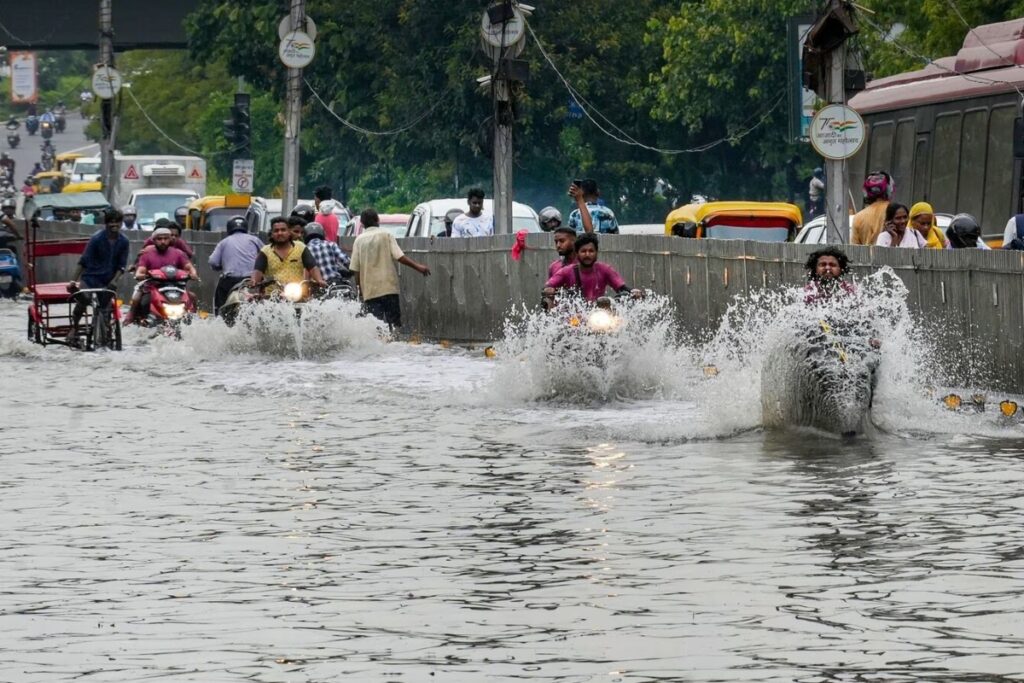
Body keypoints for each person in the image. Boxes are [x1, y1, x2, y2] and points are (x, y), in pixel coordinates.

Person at [349, 208, 430, 331]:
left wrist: (360, 290)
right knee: (395, 324)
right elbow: (400, 257)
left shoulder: (358, 241)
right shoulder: (386, 235)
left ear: (362, 223)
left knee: (377, 327)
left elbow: (356, 269)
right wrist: (418, 267)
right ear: (377, 220)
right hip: (389, 288)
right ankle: (395, 346)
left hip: (370, 292)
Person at [67, 209, 130, 338]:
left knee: (106, 308)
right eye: (111, 223)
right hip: (90, 278)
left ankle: (105, 331)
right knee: (83, 300)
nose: (114, 225)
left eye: (117, 222)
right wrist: (73, 281)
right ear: (106, 224)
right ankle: (74, 327)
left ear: (121, 223)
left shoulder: (124, 241)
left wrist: (115, 280)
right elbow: (83, 261)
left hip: (108, 280)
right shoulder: (97, 239)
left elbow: (122, 265)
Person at [126, 227, 198, 324]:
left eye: (165, 238)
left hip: (176, 287)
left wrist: (193, 274)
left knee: (192, 297)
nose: (163, 241)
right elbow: (140, 270)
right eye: (159, 239)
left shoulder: (178, 253)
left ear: (170, 239)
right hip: (152, 287)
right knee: (138, 299)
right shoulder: (147, 253)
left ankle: (193, 320)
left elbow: (189, 267)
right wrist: (141, 275)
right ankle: (130, 319)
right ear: (154, 240)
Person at [542, 234, 639, 307]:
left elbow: (621, 287)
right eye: (583, 251)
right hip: (573, 316)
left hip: (599, 314)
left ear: (596, 253)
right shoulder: (566, 271)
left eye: (591, 251)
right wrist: (548, 290)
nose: (587, 255)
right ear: (577, 253)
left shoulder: (605, 269)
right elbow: (548, 285)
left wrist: (633, 292)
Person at [209, 215, 264, 315]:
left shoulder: (224, 242)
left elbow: (213, 262)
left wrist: (220, 266)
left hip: (230, 281)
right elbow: (266, 254)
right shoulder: (255, 240)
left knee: (221, 306)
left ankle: (219, 318)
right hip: (252, 281)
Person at [251, 218, 326, 291]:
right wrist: (254, 282)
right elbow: (257, 270)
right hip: (272, 297)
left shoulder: (301, 247)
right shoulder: (265, 251)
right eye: (276, 231)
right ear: (272, 234)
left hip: (297, 294)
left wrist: (319, 280)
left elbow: (312, 267)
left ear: (289, 232)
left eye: (283, 230)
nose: (280, 233)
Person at [851, 171, 893, 245]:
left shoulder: (858, 217)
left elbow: (854, 246)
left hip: (864, 256)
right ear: (889, 189)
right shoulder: (896, 213)